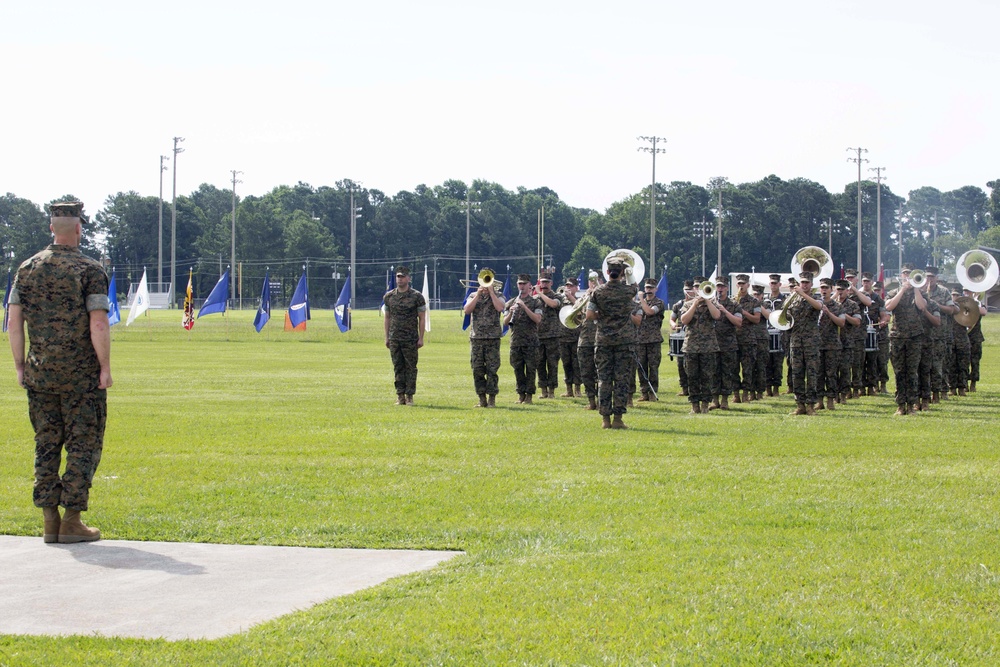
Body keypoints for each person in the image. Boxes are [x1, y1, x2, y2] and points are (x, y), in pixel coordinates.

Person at [7, 201, 111, 544]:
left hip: (40, 375)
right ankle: (72, 520)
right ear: (78, 229)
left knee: (46, 445)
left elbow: (13, 323)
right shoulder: (89, 270)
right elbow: (98, 323)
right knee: (83, 445)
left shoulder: (26, 268)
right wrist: (105, 367)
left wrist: (20, 365)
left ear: (52, 228)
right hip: (81, 377)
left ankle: (49, 520)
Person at [586, 258, 637, 428]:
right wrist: (629, 274)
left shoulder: (597, 292)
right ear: (622, 272)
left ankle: (605, 419)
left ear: (607, 272)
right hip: (624, 341)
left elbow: (590, 315)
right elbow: (634, 286)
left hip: (603, 341)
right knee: (622, 380)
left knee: (604, 380)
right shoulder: (629, 291)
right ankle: (618, 419)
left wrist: (602, 315)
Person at [885, 264, 932, 415]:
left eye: (910, 274)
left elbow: (922, 307)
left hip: (914, 337)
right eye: (905, 274)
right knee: (899, 372)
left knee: (912, 372)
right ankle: (900, 405)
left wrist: (916, 288)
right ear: (902, 275)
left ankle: (911, 405)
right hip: (898, 337)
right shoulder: (893, 292)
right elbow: (889, 306)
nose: (908, 276)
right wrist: (903, 290)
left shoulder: (921, 293)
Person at [383, 266, 427, 405]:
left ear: (408, 278)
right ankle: (400, 395)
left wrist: (421, 337)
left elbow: (422, 318)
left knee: (411, 367)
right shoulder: (389, 297)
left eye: (402, 276)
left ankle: (409, 396)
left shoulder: (417, 296)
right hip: (395, 337)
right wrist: (387, 337)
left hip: (410, 338)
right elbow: (387, 318)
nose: (399, 279)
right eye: (398, 276)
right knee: (398, 366)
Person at [462, 270, 505, 407]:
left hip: (492, 338)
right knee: (477, 369)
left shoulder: (499, 295)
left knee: (492, 369)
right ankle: (481, 398)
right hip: (477, 338)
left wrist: (491, 292)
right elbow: (467, 310)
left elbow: (500, 307)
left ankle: (492, 398)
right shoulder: (473, 295)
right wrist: (478, 294)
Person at [679, 279, 721, 414]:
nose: (699, 290)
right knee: (692, 376)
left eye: (701, 287)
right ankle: (694, 404)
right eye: (697, 287)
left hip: (708, 346)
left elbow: (717, 315)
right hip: (691, 346)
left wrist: (707, 300)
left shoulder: (713, 303)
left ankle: (705, 404)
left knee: (707, 376)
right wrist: (695, 303)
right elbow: (684, 320)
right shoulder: (687, 304)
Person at [786, 271, 823, 415]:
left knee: (812, 373)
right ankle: (800, 404)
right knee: (796, 374)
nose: (804, 285)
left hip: (811, 342)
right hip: (795, 341)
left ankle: (811, 405)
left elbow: (819, 307)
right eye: (802, 282)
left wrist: (803, 294)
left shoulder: (815, 297)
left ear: (811, 284)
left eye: (807, 282)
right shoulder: (793, 299)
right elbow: (786, 317)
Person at [504, 274, 543, 404]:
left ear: (529, 285)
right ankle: (521, 394)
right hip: (516, 342)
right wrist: (511, 311)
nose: (522, 286)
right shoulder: (510, 302)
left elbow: (537, 319)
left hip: (531, 342)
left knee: (531, 369)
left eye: (524, 284)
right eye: (520, 284)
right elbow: (505, 322)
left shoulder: (536, 302)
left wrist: (524, 307)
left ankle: (529, 396)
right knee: (518, 369)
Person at [923, 267, 956, 404]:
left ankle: (939, 392)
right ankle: (925, 393)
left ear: (936, 278)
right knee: (924, 365)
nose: (929, 279)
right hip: (923, 334)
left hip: (939, 335)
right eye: (927, 277)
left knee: (938, 365)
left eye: (932, 277)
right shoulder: (920, 290)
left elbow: (951, 310)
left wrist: (937, 305)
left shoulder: (944, 292)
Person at [710, 276, 743, 411]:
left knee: (727, 372)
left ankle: (725, 400)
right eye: (718, 286)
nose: (720, 289)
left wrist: (724, 311)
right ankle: (714, 400)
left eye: (722, 286)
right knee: (713, 372)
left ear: (727, 288)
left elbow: (739, 322)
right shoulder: (710, 303)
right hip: (713, 343)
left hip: (728, 344)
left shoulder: (735, 305)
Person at [631, 278, 666, 402]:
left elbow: (650, 312)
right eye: (647, 288)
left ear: (656, 289)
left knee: (653, 367)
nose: (648, 290)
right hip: (640, 340)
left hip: (653, 340)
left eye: (651, 288)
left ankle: (652, 392)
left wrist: (641, 300)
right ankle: (644, 392)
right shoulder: (637, 304)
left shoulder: (659, 303)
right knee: (641, 367)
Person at [815, 278, 845, 411]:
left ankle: (831, 400)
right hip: (817, 344)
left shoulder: (837, 306)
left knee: (831, 373)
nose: (824, 290)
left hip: (832, 345)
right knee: (818, 374)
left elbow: (841, 323)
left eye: (826, 288)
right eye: (822, 287)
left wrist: (828, 313)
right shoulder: (815, 305)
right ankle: (819, 400)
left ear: (831, 289)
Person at [534, 274, 564, 399]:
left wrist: (540, 294)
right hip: (538, 336)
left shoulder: (557, 296)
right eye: (542, 282)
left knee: (552, 364)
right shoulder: (535, 299)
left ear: (551, 283)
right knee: (539, 364)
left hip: (553, 336)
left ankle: (551, 390)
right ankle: (543, 390)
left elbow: (553, 304)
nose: (544, 284)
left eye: (547, 282)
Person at [734, 274, 760, 403]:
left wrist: (743, 312)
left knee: (748, 368)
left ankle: (746, 393)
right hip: (733, 339)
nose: (741, 286)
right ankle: (735, 394)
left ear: (748, 285)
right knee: (733, 368)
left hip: (748, 339)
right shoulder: (732, 301)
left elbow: (757, 319)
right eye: (739, 283)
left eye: (743, 284)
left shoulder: (754, 301)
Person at [577, 272, 600, 410]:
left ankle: (602, 400)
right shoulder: (584, 297)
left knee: (601, 373)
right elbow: (577, 317)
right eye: (591, 282)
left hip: (600, 338)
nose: (592, 284)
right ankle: (591, 401)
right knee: (586, 372)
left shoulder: (603, 297)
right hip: (584, 340)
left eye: (595, 281)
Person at [759, 273, 785, 396]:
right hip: (767, 332)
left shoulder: (784, 300)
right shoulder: (765, 301)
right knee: (767, 362)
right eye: (771, 283)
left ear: (779, 284)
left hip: (780, 333)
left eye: (775, 283)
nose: (773, 285)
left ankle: (776, 388)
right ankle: (768, 387)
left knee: (778, 363)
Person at [669, 280, 695, 397]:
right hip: (681, 336)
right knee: (680, 363)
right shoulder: (679, 304)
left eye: (690, 290)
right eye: (686, 290)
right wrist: (673, 324)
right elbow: (672, 318)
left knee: (691, 364)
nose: (688, 293)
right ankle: (684, 388)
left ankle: (693, 387)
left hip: (693, 336)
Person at [557, 278, 583, 397]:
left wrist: (571, 298)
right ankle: (569, 389)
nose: (568, 288)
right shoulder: (561, 300)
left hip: (576, 336)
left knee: (576, 363)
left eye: (571, 286)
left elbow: (581, 309)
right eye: (567, 286)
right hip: (563, 336)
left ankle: (577, 389)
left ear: (576, 288)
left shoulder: (580, 300)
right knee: (566, 363)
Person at [966, 288, 988, 392]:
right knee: (963, 361)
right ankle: (963, 383)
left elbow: (983, 312)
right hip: (963, 337)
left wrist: (973, 303)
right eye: (965, 291)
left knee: (975, 361)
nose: (967, 293)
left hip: (975, 337)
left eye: (969, 291)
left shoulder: (978, 304)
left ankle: (973, 383)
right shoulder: (962, 303)